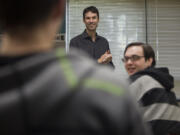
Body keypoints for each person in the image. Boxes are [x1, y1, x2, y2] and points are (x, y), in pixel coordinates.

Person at [0, 0, 151, 135]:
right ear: (60, 8)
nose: (91, 21)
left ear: (98, 20)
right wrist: (99, 61)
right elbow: (74, 72)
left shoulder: (104, 42)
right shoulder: (117, 94)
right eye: (88, 18)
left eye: (94, 17)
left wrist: (106, 63)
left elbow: (108, 67)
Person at [122, 42, 180, 135]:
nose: (129, 62)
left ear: (149, 60)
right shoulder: (163, 82)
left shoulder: (138, 81)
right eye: (126, 59)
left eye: (135, 58)